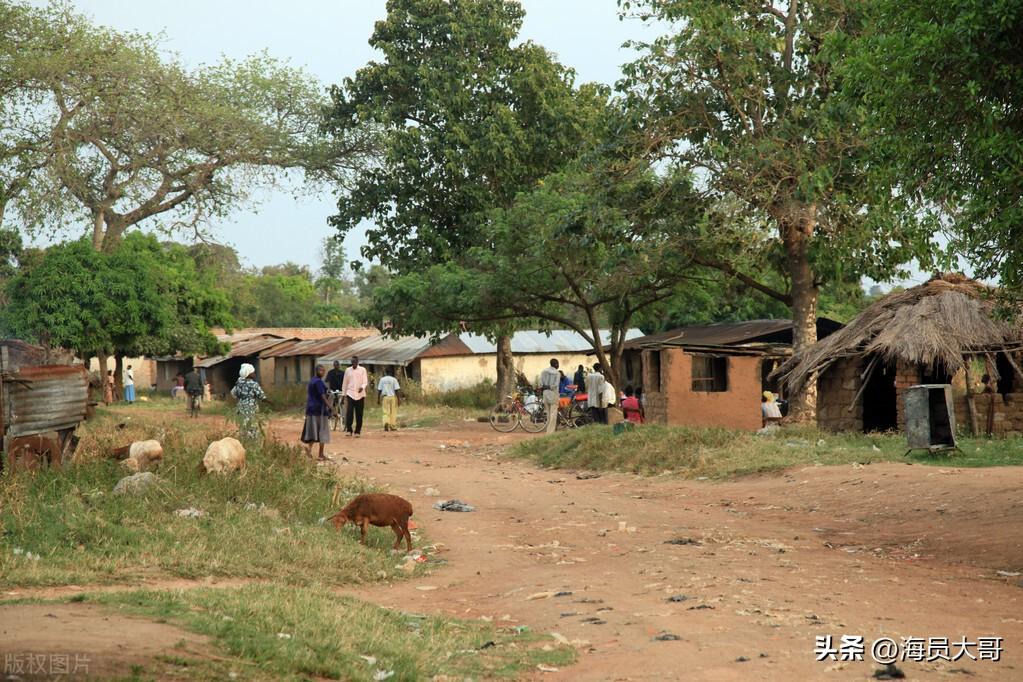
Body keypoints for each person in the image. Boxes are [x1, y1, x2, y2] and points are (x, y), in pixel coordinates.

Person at [301, 364, 332, 460]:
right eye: (321, 371)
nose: (322, 373)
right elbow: (322, 396)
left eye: (323, 371)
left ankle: (309, 449)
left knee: (313, 431)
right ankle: (320, 454)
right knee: (322, 431)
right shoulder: (318, 382)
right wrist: (330, 407)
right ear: (317, 371)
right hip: (319, 410)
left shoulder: (312, 380)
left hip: (311, 409)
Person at [231, 363, 267, 439]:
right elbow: (262, 397)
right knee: (252, 426)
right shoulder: (253, 384)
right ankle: (252, 442)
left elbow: (233, 393)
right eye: (253, 372)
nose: (254, 374)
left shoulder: (238, 383)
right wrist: (271, 402)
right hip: (251, 409)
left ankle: (244, 441)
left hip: (240, 409)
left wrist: (241, 398)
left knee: (243, 426)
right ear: (248, 374)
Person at [341, 355, 368, 437]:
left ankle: (357, 431)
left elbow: (365, 381)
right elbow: (345, 383)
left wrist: (362, 387)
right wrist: (343, 395)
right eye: (352, 362)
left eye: (355, 362)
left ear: (358, 362)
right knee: (349, 412)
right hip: (350, 393)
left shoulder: (363, 370)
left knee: (359, 413)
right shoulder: (348, 370)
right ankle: (349, 430)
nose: (354, 363)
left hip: (360, 394)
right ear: (351, 362)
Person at [539, 358, 561, 435]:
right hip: (553, 394)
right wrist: (549, 387)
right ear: (555, 364)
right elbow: (555, 385)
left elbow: (540, 384)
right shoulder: (557, 373)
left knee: (548, 414)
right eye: (558, 364)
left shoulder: (543, 371)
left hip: (545, 394)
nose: (558, 365)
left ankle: (548, 431)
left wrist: (545, 387)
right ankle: (550, 433)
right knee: (553, 414)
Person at [377, 367, 402, 432]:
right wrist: (399, 399)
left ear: (385, 372)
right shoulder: (394, 379)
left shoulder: (382, 379)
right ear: (391, 373)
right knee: (393, 412)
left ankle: (386, 423)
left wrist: (378, 399)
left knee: (385, 412)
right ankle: (392, 426)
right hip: (393, 397)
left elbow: (379, 390)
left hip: (385, 397)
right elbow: (397, 390)